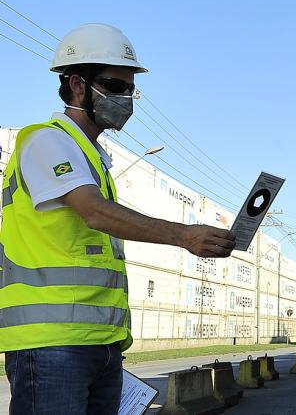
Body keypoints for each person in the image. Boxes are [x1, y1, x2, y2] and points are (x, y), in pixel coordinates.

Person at [0, 23, 236, 414]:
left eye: (130, 89)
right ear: (77, 84)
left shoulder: (93, 157)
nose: (125, 98)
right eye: (114, 86)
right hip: (51, 343)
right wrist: (184, 236)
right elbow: (94, 212)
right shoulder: (45, 140)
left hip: (101, 343)